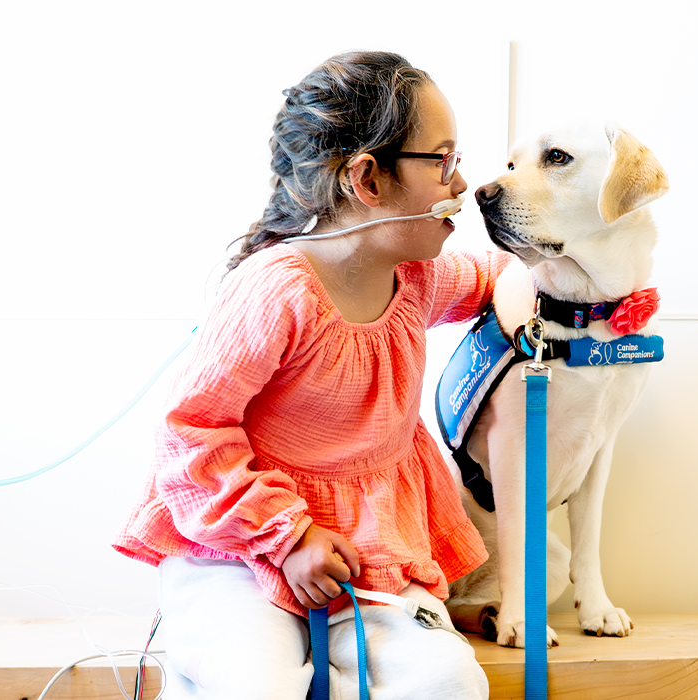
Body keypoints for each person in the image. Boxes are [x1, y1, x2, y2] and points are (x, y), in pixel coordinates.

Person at [113, 50, 512, 699]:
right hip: (241, 546)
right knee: (255, 686)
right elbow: (191, 431)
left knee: (446, 680)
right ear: (368, 178)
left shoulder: (416, 278)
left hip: (369, 550)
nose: (461, 183)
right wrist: (290, 535)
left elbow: (500, 278)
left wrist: (564, 275)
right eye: (443, 161)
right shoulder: (277, 291)